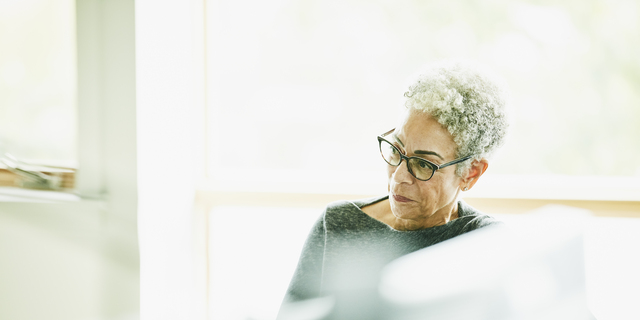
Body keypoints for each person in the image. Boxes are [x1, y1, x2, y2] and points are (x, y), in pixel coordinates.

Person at [279, 61, 509, 315]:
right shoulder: (338, 224)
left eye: (423, 164)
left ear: (471, 173)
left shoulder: (486, 243)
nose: (399, 176)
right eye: (396, 149)